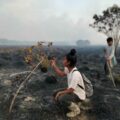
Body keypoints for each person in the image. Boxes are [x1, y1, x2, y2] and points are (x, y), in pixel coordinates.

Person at [50, 49, 86, 118]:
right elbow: (61, 74)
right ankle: (66, 105)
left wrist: (60, 93)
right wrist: (54, 65)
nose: (63, 61)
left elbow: (71, 90)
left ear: (68, 62)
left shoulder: (75, 74)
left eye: (64, 60)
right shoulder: (68, 68)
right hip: (72, 91)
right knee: (55, 93)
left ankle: (76, 110)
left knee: (61, 98)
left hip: (78, 94)